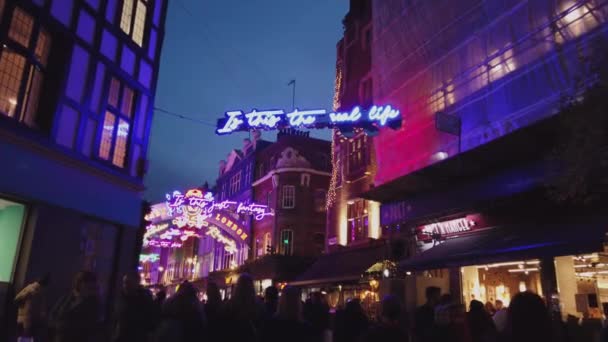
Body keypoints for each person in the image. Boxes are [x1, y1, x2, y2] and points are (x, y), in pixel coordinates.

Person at [49, 271, 100, 342]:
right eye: (86, 283)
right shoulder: (67, 297)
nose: (88, 286)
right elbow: (52, 315)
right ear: (79, 283)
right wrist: (58, 325)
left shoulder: (93, 303)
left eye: (90, 285)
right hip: (58, 338)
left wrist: (65, 326)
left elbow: (89, 326)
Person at [111, 273, 155, 342]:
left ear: (136, 283)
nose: (126, 285)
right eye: (124, 282)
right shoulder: (120, 298)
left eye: (129, 283)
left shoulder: (144, 301)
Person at [222, 274, 264, 342]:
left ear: (238, 287)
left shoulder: (230, 305)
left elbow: (224, 328)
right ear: (252, 287)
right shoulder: (257, 306)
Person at [15, 273, 50, 341]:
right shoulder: (38, 291)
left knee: (21, 339)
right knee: (26, 339)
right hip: (28, 322)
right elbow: (41, 311)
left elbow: (16, 299)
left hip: (21, 320)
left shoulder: (29, 287)